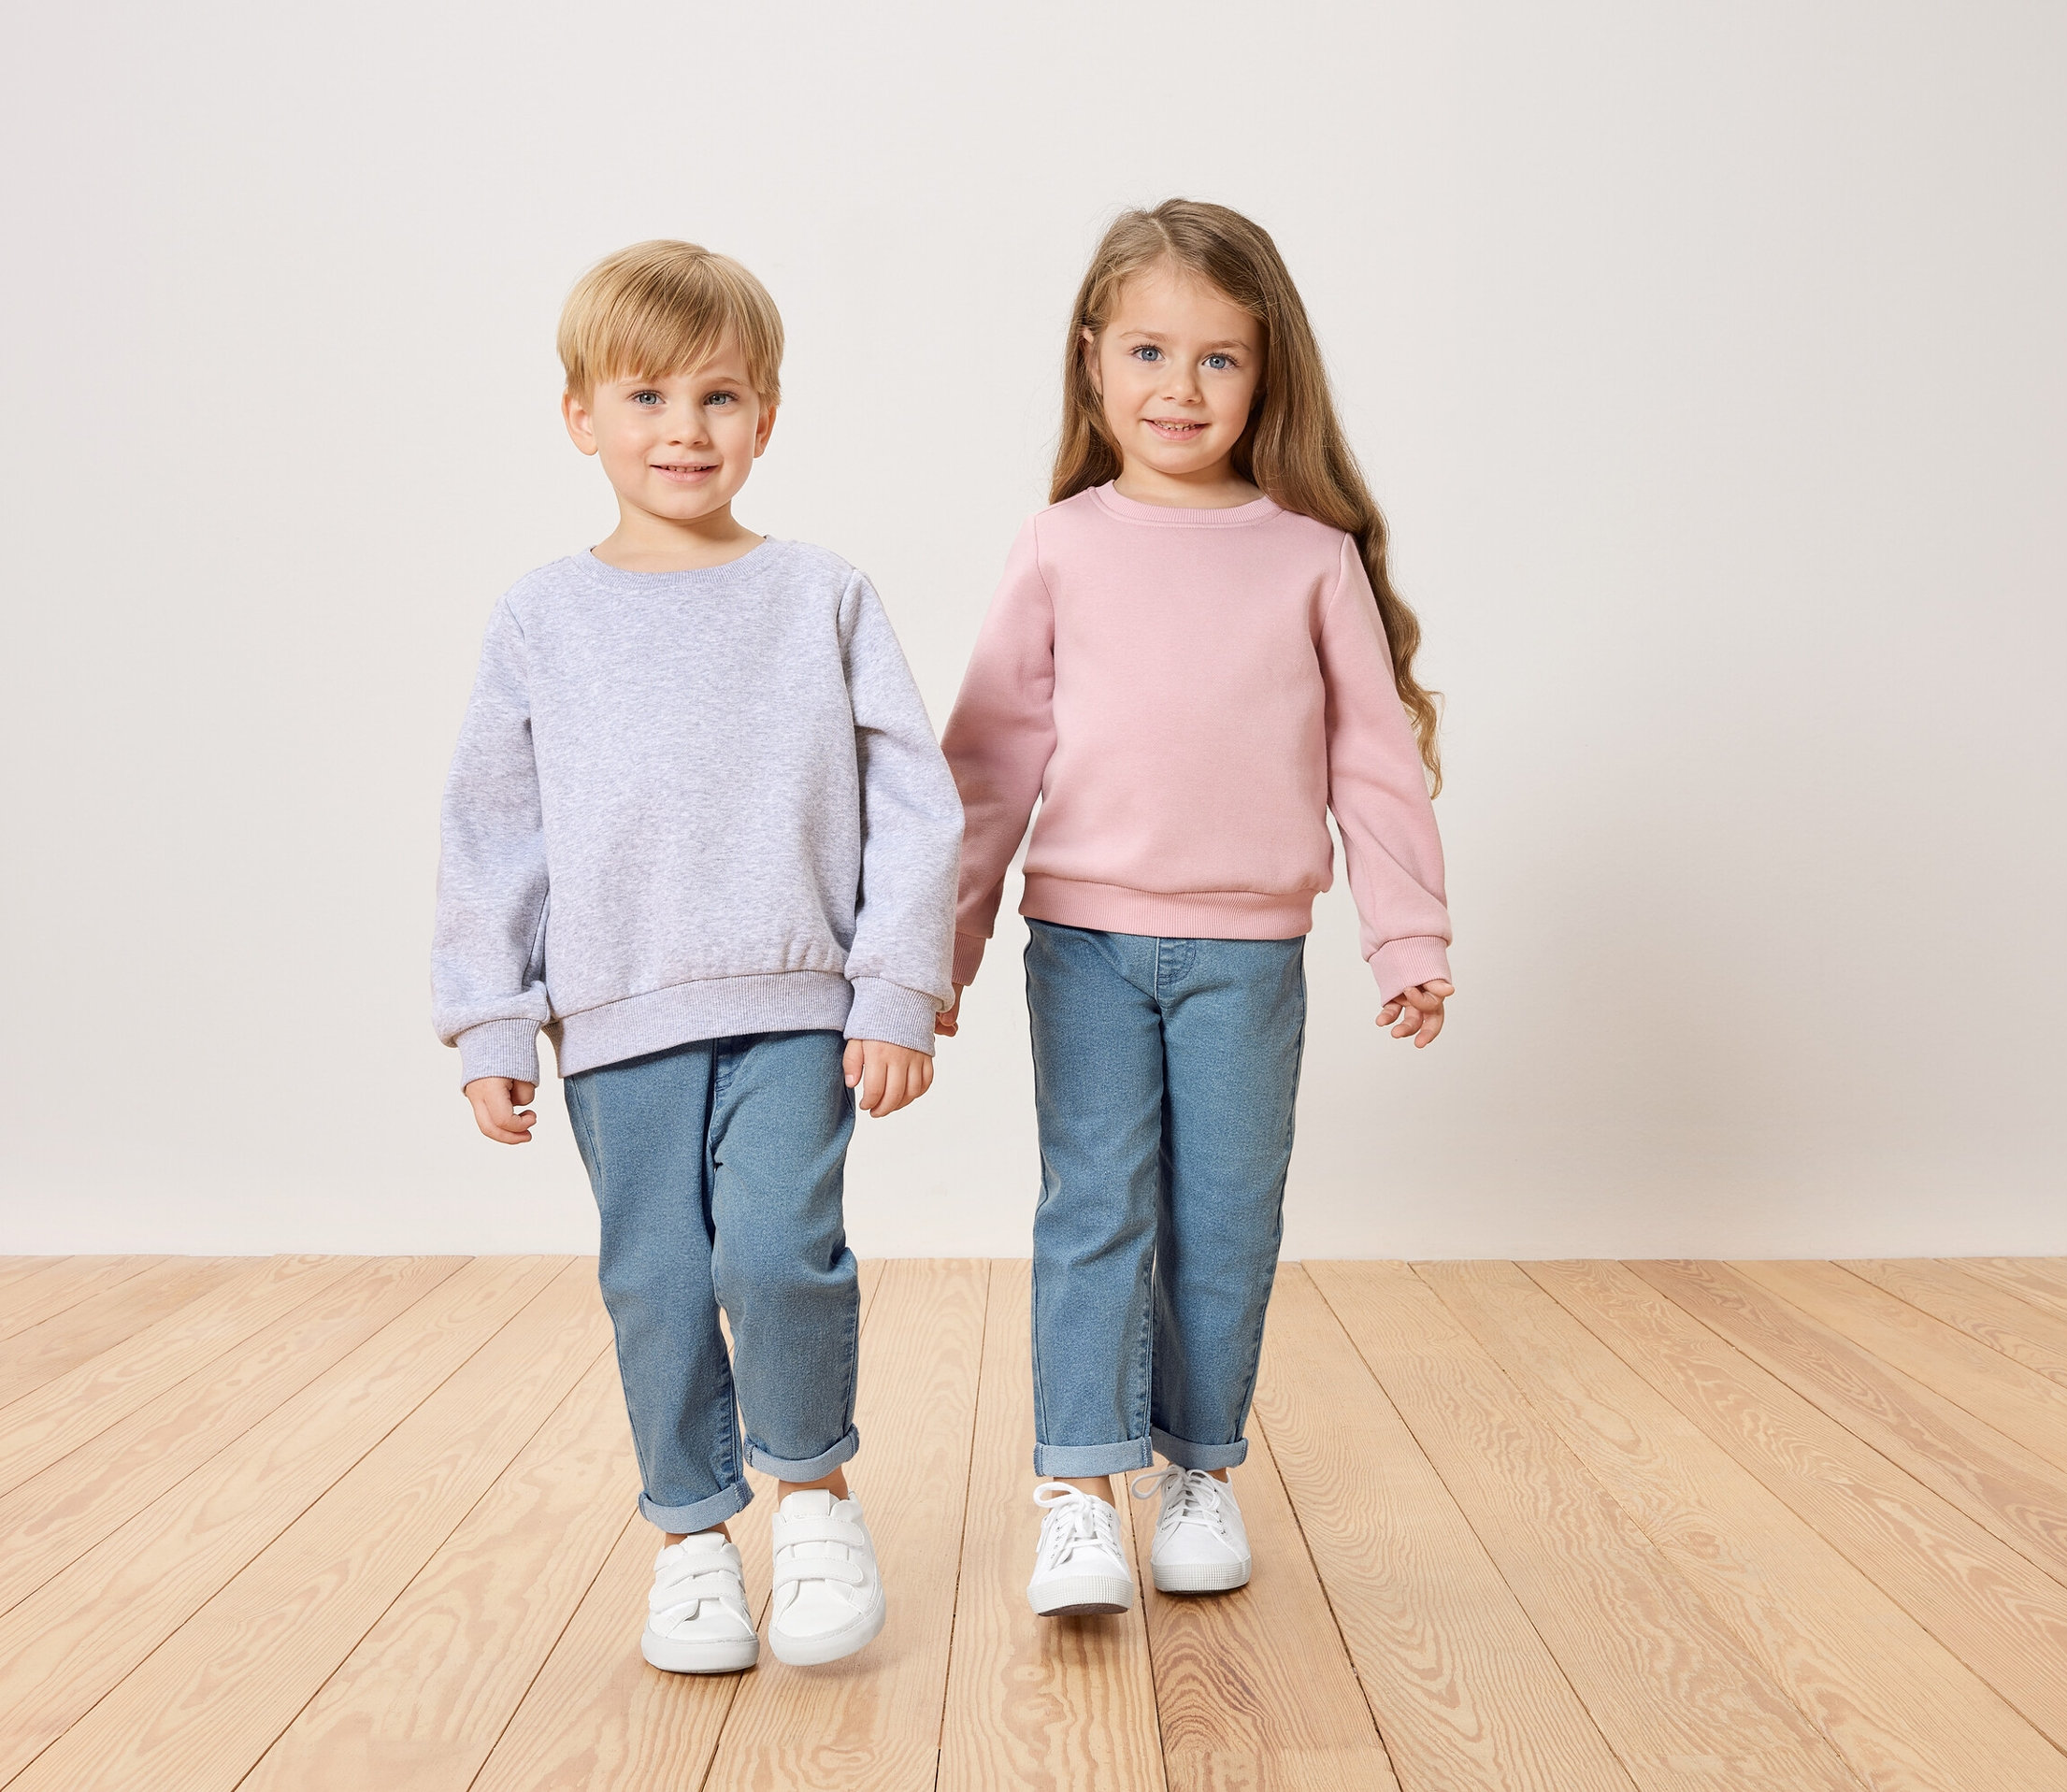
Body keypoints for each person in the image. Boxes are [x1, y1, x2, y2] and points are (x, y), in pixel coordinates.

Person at [432, 241, 962, 1672]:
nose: (684, 428)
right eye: (646, 395)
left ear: (765, 417)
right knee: (657, 1282)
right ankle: (689, 1537)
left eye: (719, 396)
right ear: (579, 416)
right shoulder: (541, 615)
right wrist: (490, 1020)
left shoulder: (821, 593)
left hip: (796, 1005)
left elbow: (916, 802)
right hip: (615, 1023)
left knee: (781, 1254)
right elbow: (493, 828)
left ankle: (815, 1499)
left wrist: (895, 987)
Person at [940, 200, 1455, 1616]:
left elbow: (1372, 761)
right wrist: (947, 946)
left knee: (1225, 1217)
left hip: (1249, 959)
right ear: (1092, 358)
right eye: (1149, 351)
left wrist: (1406, 935)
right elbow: (987, 764)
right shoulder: (1057, 545)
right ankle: (1077, 1491)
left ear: (1266, 371)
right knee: (1093, 1207)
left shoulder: (1308, 554)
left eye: (1218, 358)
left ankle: (1197, 1467)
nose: (1180, 387)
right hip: (1086, 948)